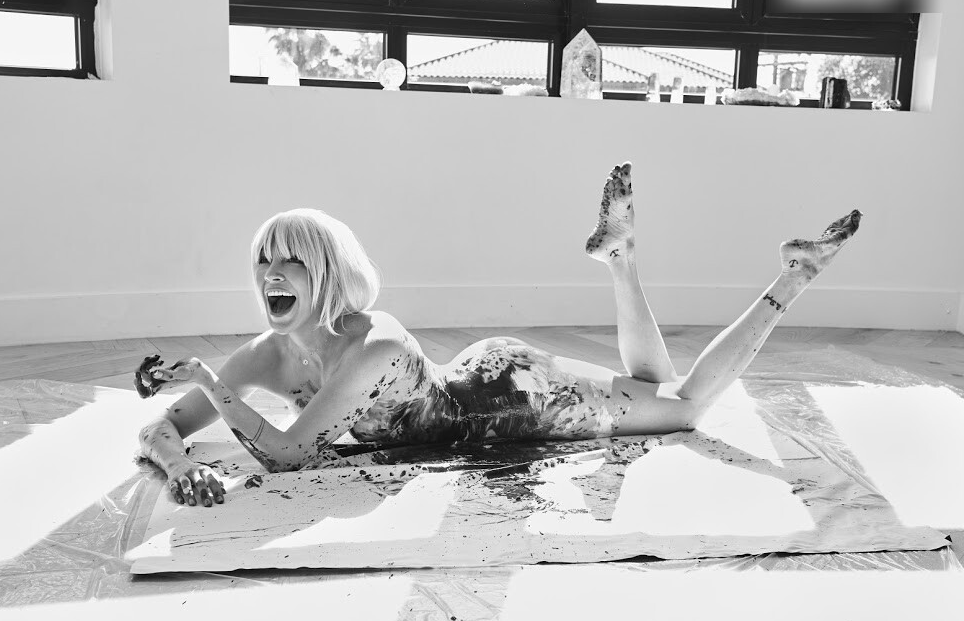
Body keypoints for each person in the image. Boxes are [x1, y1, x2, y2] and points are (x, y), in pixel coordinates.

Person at [136, 161, 861, 507]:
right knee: (656, 389)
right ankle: (621, 257)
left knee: (684, 407)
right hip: (477, 377)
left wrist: (210, 385)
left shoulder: (372, 344)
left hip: (510, 400)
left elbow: (291, 456)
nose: (270, 274)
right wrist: (178, 466)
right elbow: (159, 428)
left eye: (290, 261)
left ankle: (794, 275)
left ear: (325, 272)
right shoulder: (266, 355)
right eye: (262, 261)